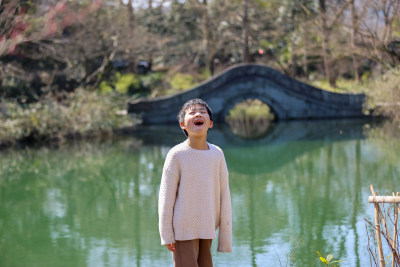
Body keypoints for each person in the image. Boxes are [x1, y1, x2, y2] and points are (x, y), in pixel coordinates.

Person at [158, 98, 232, 267]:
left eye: (202, 111)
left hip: (207, 228)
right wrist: (167, 234)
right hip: (183, 230)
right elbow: (165, 198)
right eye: (191, 112)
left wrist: (225, 236)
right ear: (183, 125)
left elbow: (224, 194)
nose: (198, 114)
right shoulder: (176, 154)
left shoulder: (217, 154)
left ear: (210, 123)